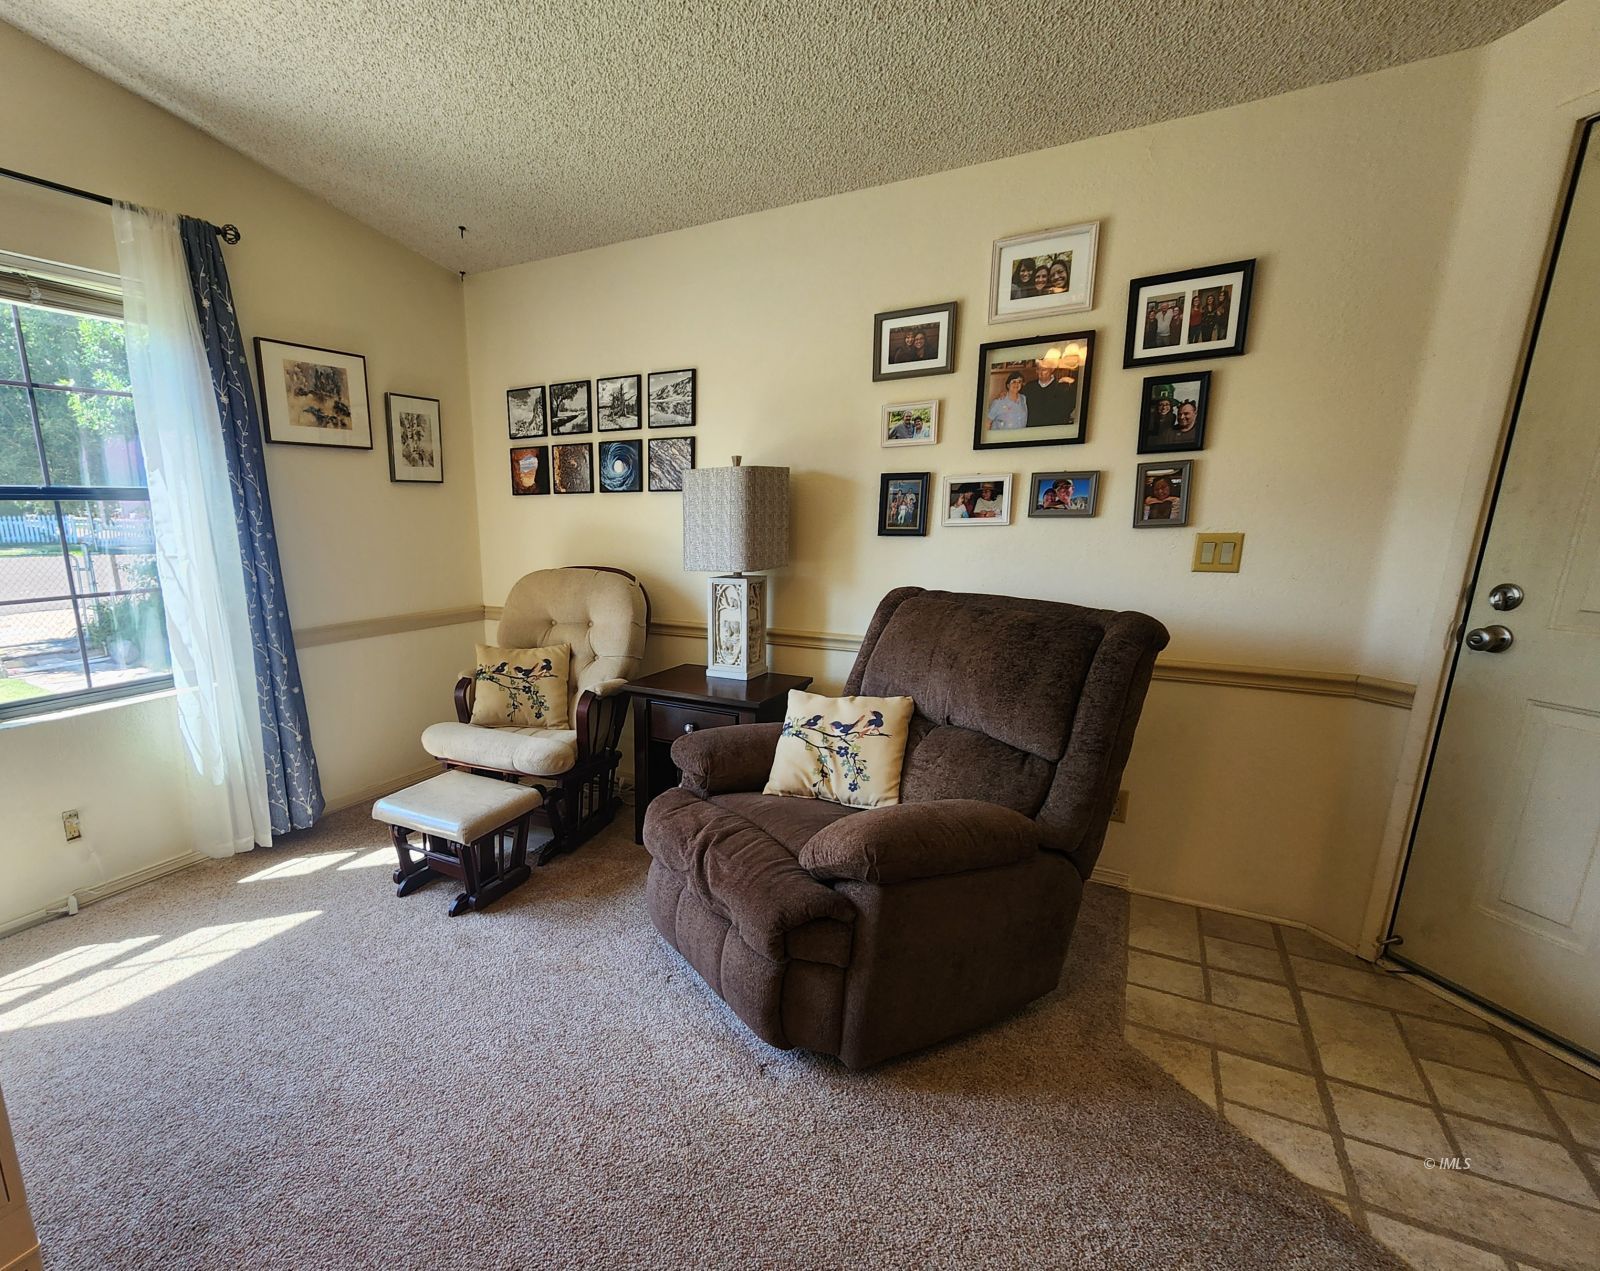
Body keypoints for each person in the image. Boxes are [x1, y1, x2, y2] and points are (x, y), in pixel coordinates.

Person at [1023, 356, 1075, 429]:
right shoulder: (1029, 387)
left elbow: (1067, 410)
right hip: (1032, 431)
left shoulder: (1062, 388)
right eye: (1038, 369)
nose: (1040, 373)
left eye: (1044, 369)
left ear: (1052, 369)